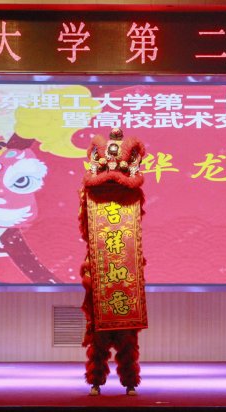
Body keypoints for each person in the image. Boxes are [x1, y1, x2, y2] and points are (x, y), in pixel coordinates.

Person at [78, 128, 148, 396]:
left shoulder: (131, 197)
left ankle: (129, 381)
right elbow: (86, 231)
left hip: (124, 273)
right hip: (101, 271)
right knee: (98, 333)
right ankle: (96, 380)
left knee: (127, 335)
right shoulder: (90, 196)